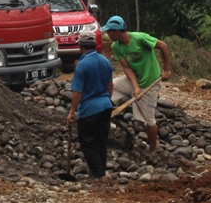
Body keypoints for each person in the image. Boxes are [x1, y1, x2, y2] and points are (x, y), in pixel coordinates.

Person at [102, 16, 172, 153]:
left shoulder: (139, 38)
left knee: (149, 119)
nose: (107, 35)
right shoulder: (116, 46)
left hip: (150, 82)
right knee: (108, 88)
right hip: (134, 81)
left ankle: (152, 149)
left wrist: (167, 69)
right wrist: (135, 87)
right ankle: (104, 114)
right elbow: (127, 68)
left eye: (109, 32)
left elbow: (163, 46)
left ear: (116, 32)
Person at [66, 30, 114, 179]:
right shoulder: (105, 60)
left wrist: (72, 112)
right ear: (94, 45)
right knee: (101, 140)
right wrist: (107, 99)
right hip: (106, 106)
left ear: (80, 45)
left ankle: (99, 174)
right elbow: (110, 85)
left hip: (90, 109)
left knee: (87, 142)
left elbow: (77, 93)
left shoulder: (82, 65)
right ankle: (100, 170)